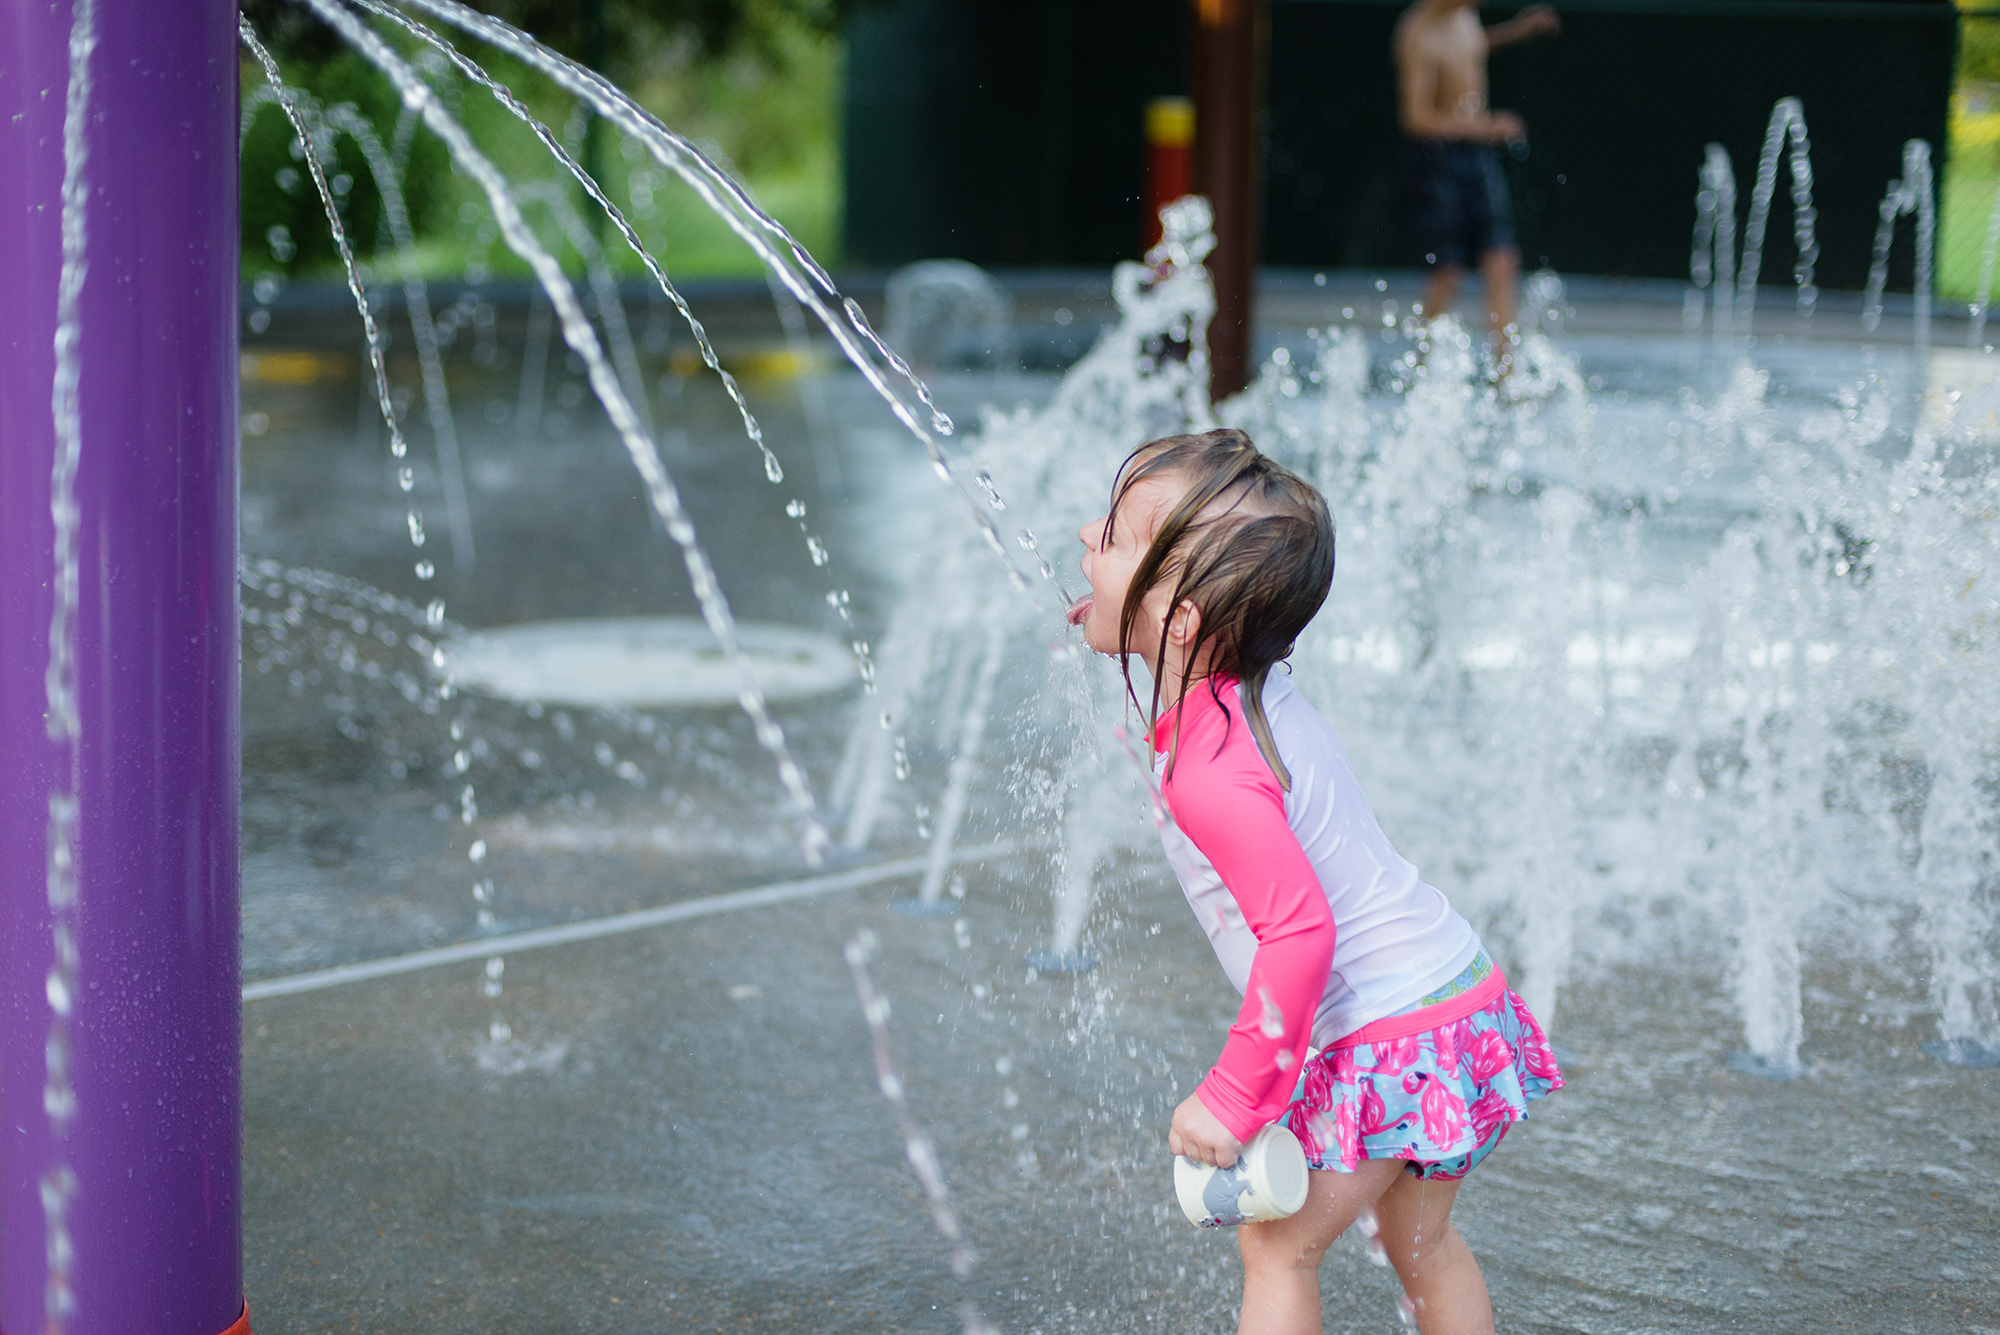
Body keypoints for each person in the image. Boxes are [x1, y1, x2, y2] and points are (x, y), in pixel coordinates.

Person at [1068, 428, 1562, 1335]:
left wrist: (1234, 1092)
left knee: (1276, 1247)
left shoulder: (1212, 767)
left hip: (1387, 1031)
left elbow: (1300, 934)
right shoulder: (1243, 693)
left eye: (1113, 535)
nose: (1085, 542)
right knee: (1419, 1243)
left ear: (1180, 618)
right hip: (1450, 995)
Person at [1394, 0, 1559, 363]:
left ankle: (1506, 376)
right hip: (1437, 158)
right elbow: (1415, 118)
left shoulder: (1463, 16)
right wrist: (1485, 127)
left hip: (1475, 153)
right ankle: (1421, 369)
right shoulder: (1418, 32)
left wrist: (1517, 31)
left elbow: (1468, 48)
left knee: (1501, 260)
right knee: (1447, 270)